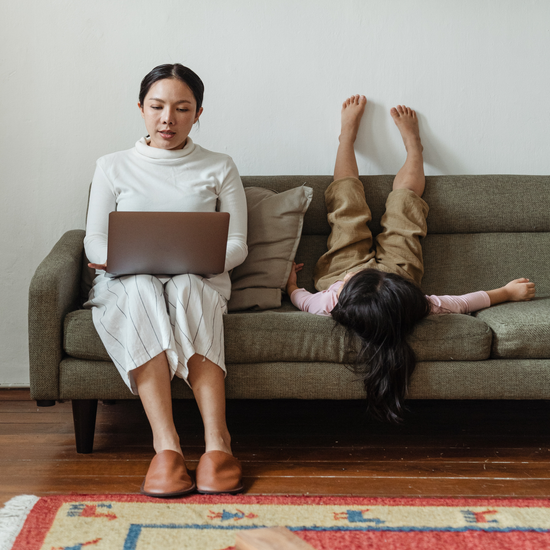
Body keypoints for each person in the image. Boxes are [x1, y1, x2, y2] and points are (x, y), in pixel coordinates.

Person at [286, 95, 536, 423]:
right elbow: (462, 302)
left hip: (341, 272)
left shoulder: (333, 301)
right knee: (406, 206)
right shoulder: (414, 303)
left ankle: (345, 137)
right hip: (397, 274)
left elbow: (303, 301)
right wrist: (505, 292)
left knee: (345, 206)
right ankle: (415, 148)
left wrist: (291, 283)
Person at [84, 64, 248, 497]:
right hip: (128, 279)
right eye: (157, 107)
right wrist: (117, 258)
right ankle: (166, 447)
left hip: (200, 277)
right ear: (141, 109)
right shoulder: (112, 166)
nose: (167, 119)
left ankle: (218, 443)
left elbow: (237, 245)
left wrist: (200, 261)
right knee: (140, 288)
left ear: (198, 114)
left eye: (181, 108)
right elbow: (93, 241)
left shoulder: (220, 166)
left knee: (188, 287)